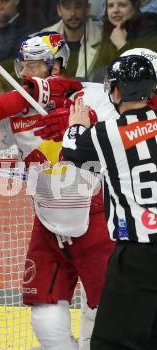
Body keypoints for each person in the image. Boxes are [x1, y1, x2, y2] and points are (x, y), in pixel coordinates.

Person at [0, 31, 115, 350]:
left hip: (97, 218)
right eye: (23, 65)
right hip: (47, 220)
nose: (24, 73)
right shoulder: (16, 107)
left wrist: (89, 126)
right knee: (44, 310)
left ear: (57, 65)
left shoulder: (94, 95)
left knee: (103, 307)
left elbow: (122, 137)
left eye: (33, 66)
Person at [61, 54, 157, 350]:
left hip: (136, 255)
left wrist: (76, 125)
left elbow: (73, 154)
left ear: (115, 91)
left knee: (110, 342)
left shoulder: (104, 134)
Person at [91, 0, 157, 81]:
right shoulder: (109, 30)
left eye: (122, 5)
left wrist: (121, 45)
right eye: (110, 6)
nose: (115, 10)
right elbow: (99, 74)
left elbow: (145, 73)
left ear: (134, 7)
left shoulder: (150, 28)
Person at [42, 0, 102, 80]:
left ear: (87, 8)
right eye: (67, 7)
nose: (72, 13)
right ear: (59, 10)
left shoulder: (102, 39)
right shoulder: (42, 40)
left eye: (78, 6)